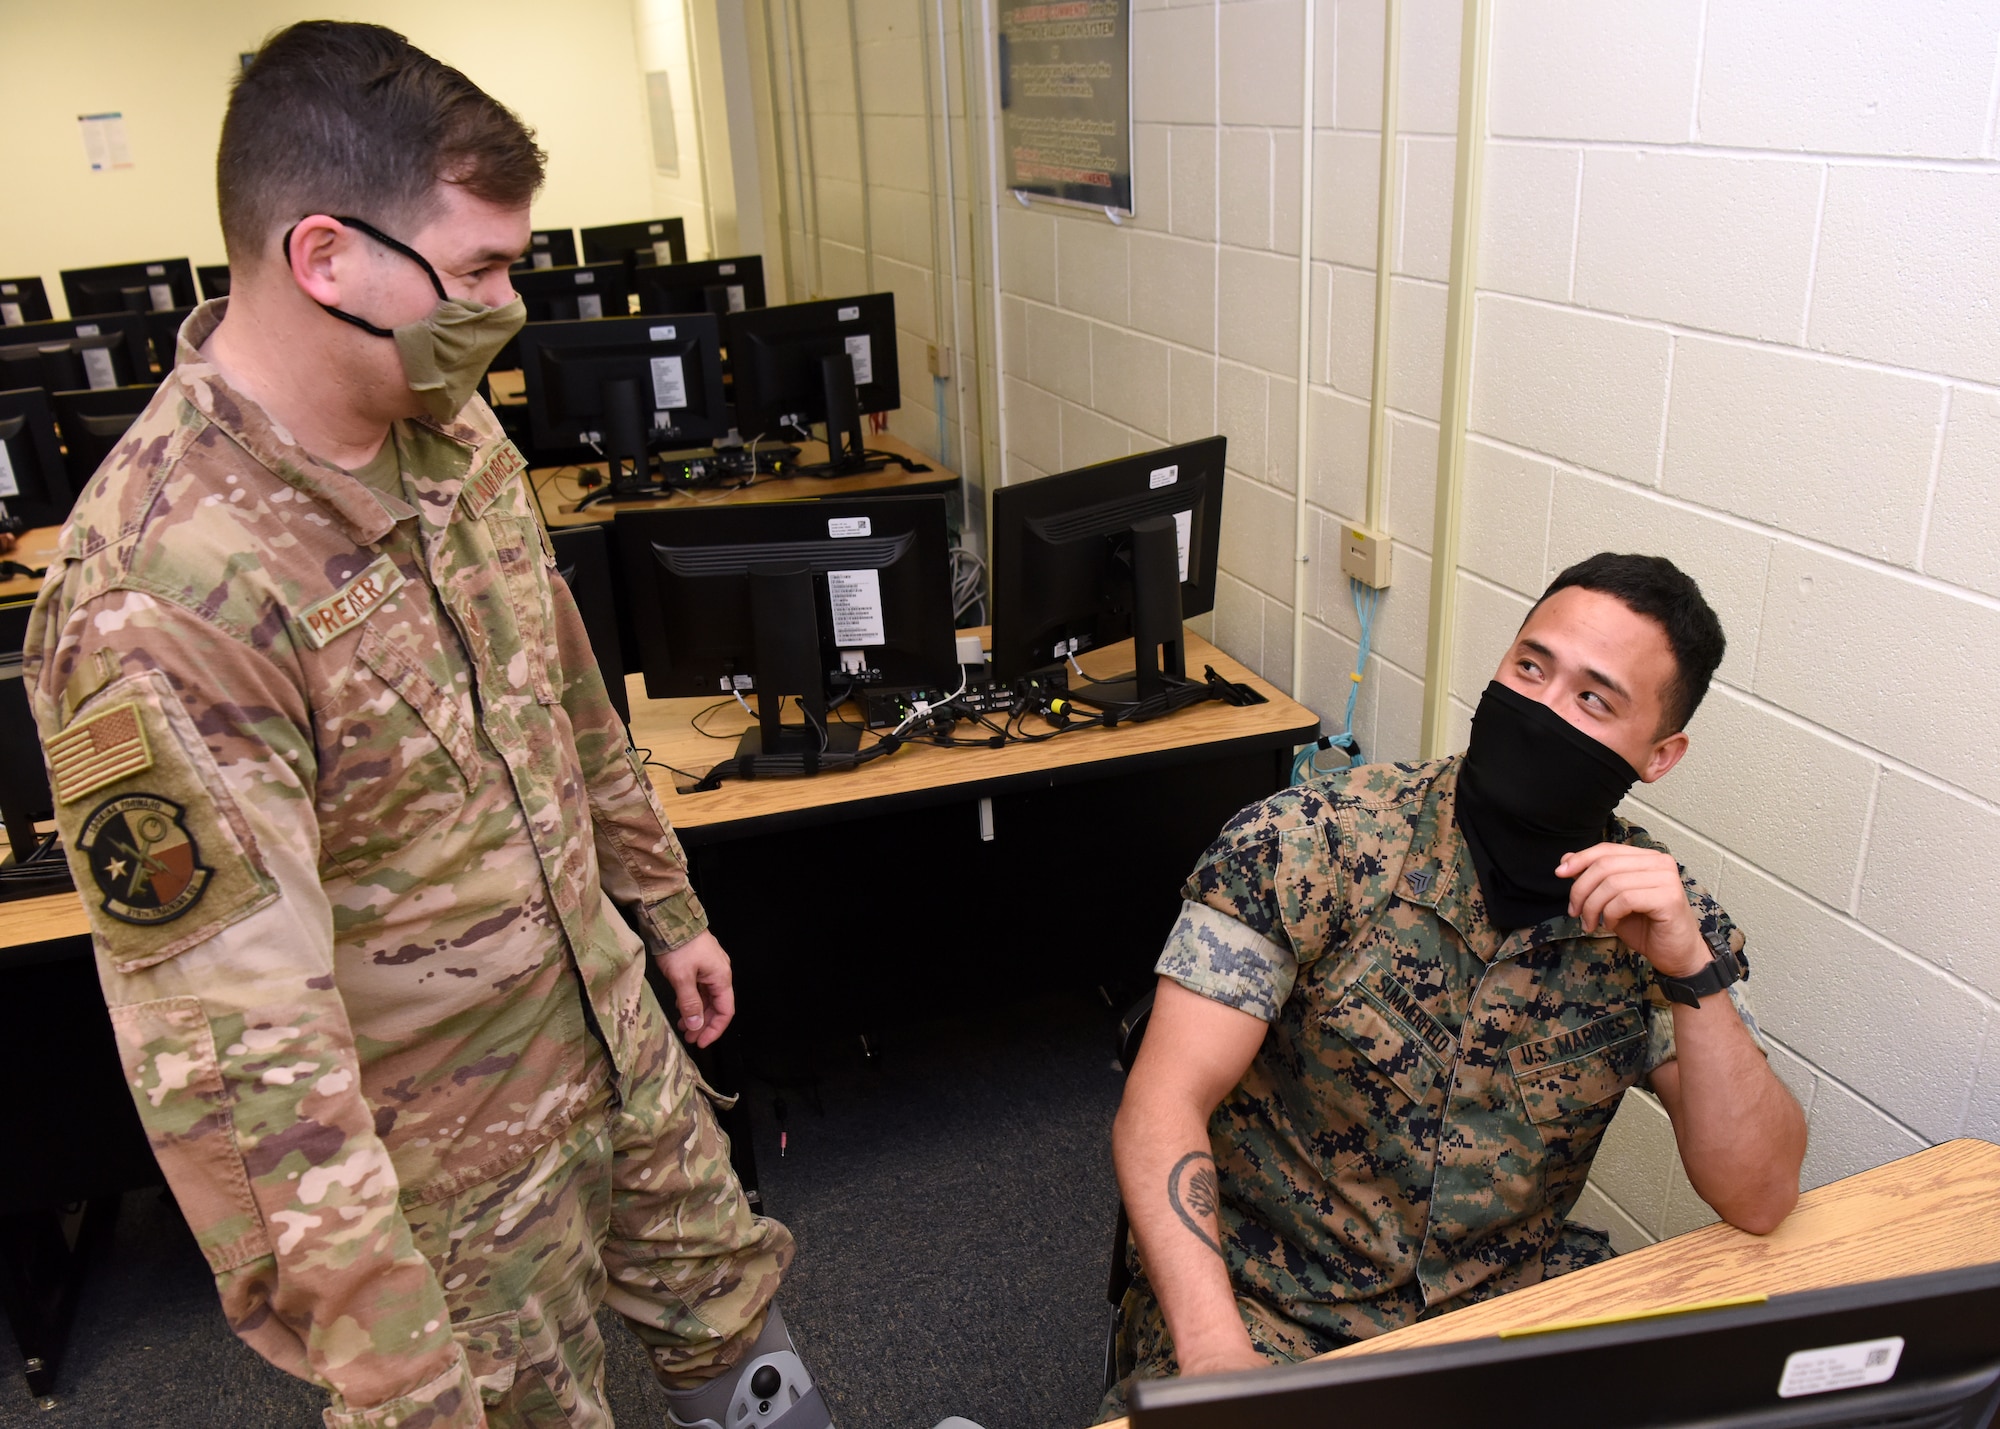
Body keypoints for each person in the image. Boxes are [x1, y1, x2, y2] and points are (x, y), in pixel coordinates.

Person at [27, 23, 844, 1429]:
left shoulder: (446, 423)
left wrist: (663, 903)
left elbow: (564, 690)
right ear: (325, 258)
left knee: (729, 1312)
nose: (508, 306)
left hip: (603, 1029)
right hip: (435, 1178)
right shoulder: (162, 594)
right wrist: (401, 1378)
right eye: (476, 271)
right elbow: (244, 1065)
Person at [1101, 553, 1807, 1419]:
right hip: (1273, 1310)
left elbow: (1761, 1193)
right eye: (1530, 666)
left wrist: (1692, 973)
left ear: (1659, 755)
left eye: (1593, 698)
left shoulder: (1658, 920)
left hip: (1507, 1321)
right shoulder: (1313, 843)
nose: (1542, 708)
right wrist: (1215, 1350)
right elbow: (1159, 1101)